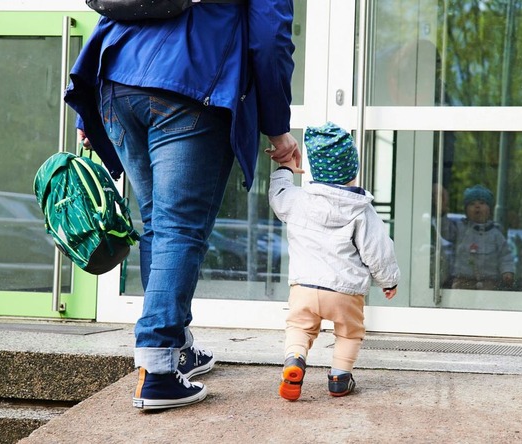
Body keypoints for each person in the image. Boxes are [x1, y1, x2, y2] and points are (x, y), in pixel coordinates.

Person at [64, 2, 301, 410]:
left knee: (160, 224)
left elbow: (122, 9)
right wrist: (278, 128)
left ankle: (175, 348)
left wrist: (89, 109)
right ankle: (157, 370)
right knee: (178, 229)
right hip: (190, 85)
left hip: (117, 80)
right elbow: (269, 40)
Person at [268, 122, 400, 401]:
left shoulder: (299, 201)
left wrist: (285, 171)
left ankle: (294, 359)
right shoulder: (361, 210)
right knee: (350, 333)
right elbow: (377, 250)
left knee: (299, 328)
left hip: (304, 287)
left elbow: (278, 197)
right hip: (345, 291)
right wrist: (388, 280)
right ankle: (339, 378)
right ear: (353, 169)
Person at [441, 184, 515, 290]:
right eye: (472, 204)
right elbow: (445, 231)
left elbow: (505, 256)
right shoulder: (460, 229)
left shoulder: (496, 233)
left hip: (489, 282)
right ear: (466, 211)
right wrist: (442, 213)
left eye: (482, 203)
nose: (477, 206)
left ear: (489, 210)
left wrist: (507, 271)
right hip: (462, 280)